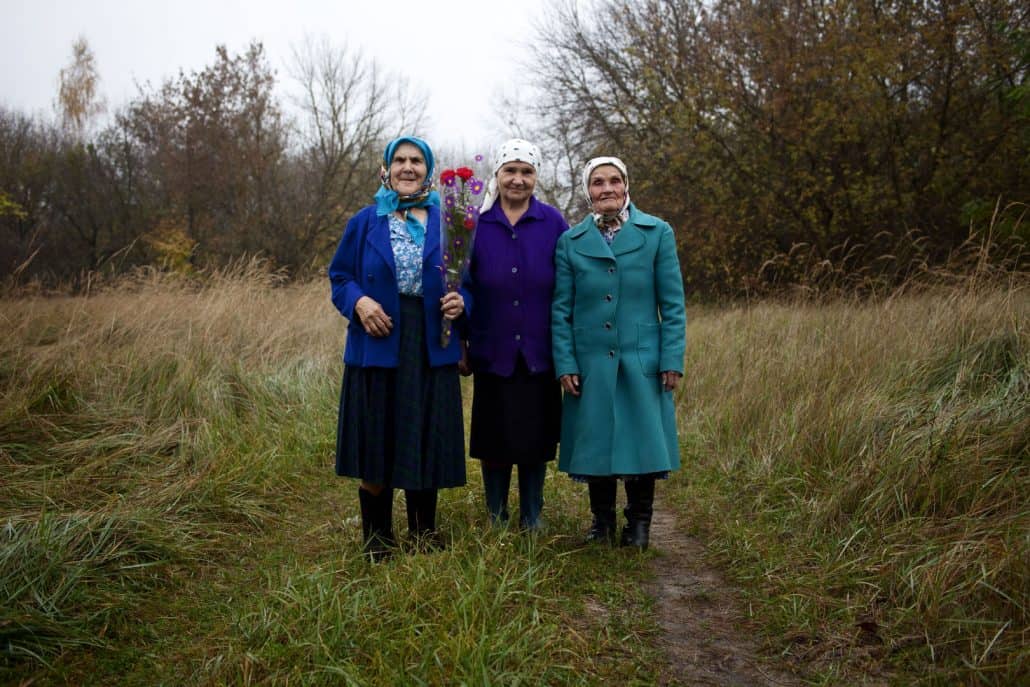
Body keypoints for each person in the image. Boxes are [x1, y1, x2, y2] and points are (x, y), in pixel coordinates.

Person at [329, 136, 468, 561]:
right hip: (377, 343)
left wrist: (464, 303)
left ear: (428, 169)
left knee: (423, 432)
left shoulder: (451, 223)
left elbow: (475, 284)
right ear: (386, 168)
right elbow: (340, 277)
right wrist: (359, 301)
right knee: (377, 436)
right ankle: (378, 540)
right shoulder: (365, 221)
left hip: (429, 344)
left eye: (417, 161)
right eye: (400, 161)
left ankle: (424, 534)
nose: (408, 168)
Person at [551, 156, 686, 550]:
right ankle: (602, 522)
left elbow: (673, 304)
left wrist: (671, 359)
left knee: (642, 438)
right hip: (590, 358)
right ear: (587, 191)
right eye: (597, 182)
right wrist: (565, 362)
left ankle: (639, 524)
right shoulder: (571, 242)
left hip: (640, 356)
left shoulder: (657, 232)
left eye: (613, 181)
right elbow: (561, 309)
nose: (606, 188)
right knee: (596, 439)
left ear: (626, 186)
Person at [460, 138, 569, 530]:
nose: (518, 180)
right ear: (498, 175)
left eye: (526, 172)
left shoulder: (553, 222)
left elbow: (566, 284)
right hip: (493, 346)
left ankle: (532, 515)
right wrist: (461, 337)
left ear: (536, 177)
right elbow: (463, 284)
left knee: (534, 439)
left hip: (540, 349)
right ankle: (496, 515)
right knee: (495, 437)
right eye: (511, 171)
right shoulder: (476, 224)